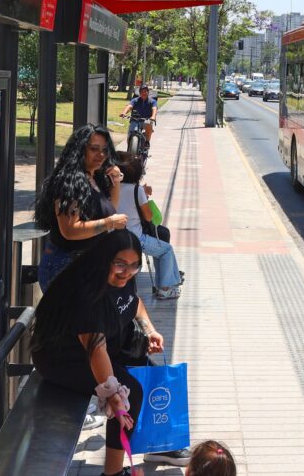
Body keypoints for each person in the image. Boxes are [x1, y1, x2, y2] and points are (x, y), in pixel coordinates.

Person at [30, 230, 171, 476]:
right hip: (63, 358)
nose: (127, 272)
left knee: (153, 373)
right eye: (120, 264)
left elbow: (134, 302)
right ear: (105, 260)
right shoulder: (87, 293)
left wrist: (150, 330)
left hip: (100, 347)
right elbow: (96, 349)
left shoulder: (124, 279)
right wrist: (113, 393)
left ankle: (163, 444)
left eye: (134, 266)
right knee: (130, 393)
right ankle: (113, 472)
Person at [34, 125, 128, 292]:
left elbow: (110, 209)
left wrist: (116, 180)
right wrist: (110, 223)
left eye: (105, 150)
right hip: (65, 267)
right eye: (94, 149)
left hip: (87, 264)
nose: (101, 155)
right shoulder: (69, 181)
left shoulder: (94, 176)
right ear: (79, 150)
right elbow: (70, 230)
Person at [114, 152, 184, 300]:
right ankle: (165, 288)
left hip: (115, 236)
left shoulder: (113, 187)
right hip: (136, 239)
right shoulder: (137, 190)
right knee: (166, 250)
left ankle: (168, 281)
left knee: (162, 247)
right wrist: (144, 196)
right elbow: (148, 216)